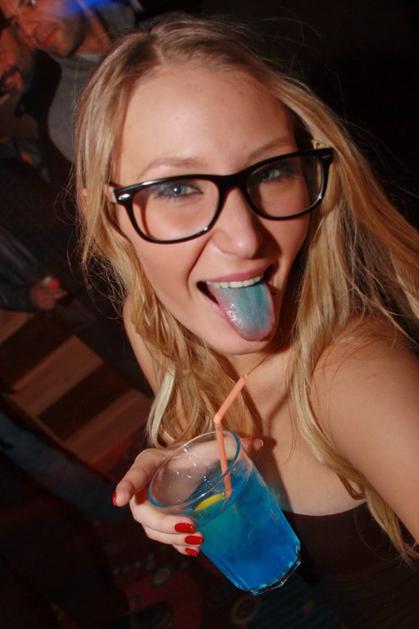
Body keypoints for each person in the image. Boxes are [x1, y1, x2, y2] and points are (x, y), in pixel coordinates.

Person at [75, 14, 419, 627]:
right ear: (111, 213)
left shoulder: (355, 378)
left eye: (271, 171)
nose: (244, 238)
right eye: (178, 188)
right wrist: (177, 460)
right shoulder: (154, 327)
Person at [0, 0, 139, 164]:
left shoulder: (158, 25)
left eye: (31, 3)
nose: (27, 30)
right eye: (16, 23)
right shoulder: (71, 116)